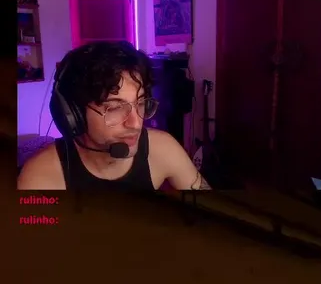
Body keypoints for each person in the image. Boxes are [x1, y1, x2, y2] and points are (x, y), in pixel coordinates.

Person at [17, 41, 210, 191]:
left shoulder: (163, 148)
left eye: (140, 103)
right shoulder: (40, 177)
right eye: (115, 108)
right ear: (73, 115)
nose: (136, 123)